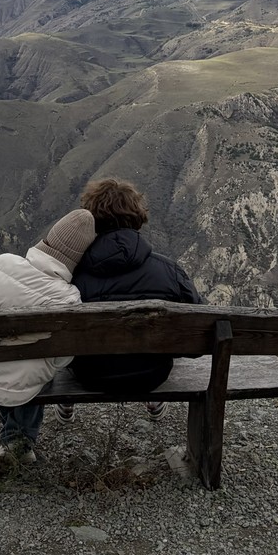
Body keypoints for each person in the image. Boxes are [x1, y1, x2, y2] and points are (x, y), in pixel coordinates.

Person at [57, 176, 202, 424]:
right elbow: (200, 329)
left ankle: (66, 398)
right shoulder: (169, 271)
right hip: (151, 374)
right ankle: (153, 397)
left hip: (89, 374)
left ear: (91, 219)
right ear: (137, 217)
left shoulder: (70, 273)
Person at [0, 209, 96, 470]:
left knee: (21, 360)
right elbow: (62, 360)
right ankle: (17, 443)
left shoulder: (1, 263)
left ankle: (12, 435)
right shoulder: (68, 298)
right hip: (16, 389)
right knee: (36, 368)